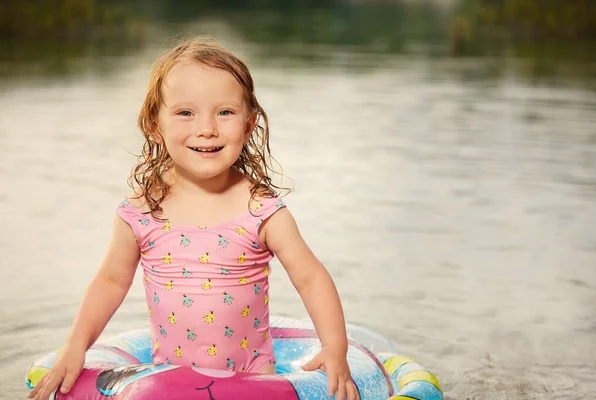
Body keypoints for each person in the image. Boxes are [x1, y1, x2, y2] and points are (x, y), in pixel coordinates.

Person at [29, 37, 359, 400]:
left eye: (225, 112)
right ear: (156, 126)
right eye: (186, 113)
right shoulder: (141, 211)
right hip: (168, 385)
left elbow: (310, 278)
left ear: (249, 126)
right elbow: (110, 281)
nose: (207, 128)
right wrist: (76, 346)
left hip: (253, 385)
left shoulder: (260, 210)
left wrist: (335, 348)